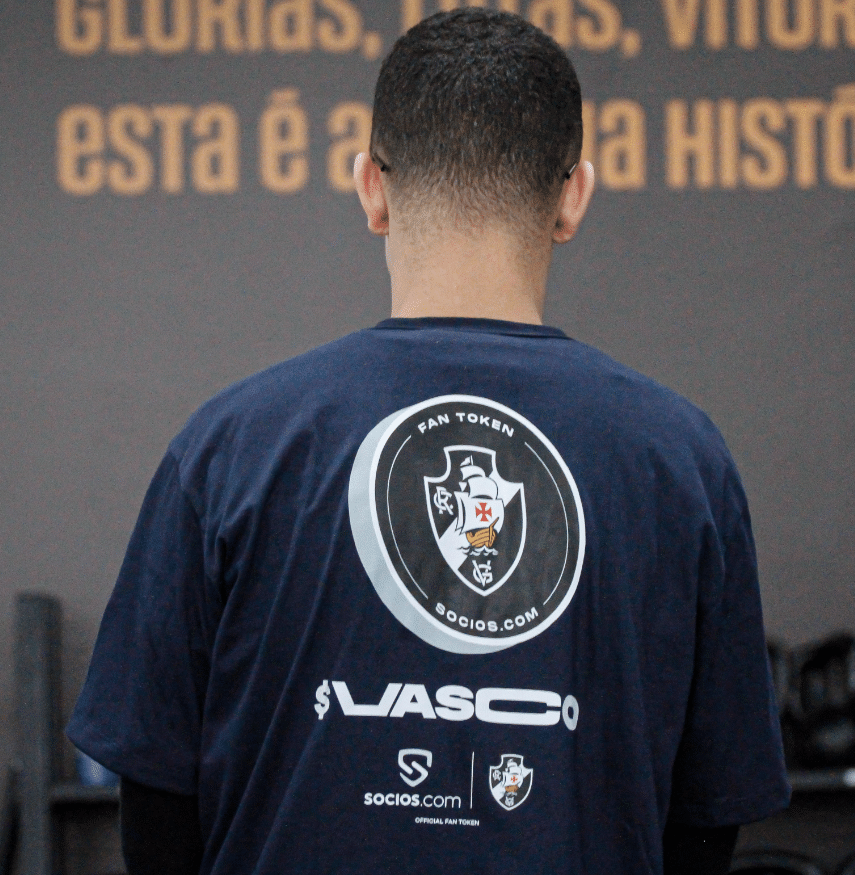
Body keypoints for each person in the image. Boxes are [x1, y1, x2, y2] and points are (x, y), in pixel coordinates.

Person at [67, 8, 791, 874]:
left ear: (370, 187)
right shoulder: (680, 462)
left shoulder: (230, 449)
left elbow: (155, 800)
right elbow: (705, 818)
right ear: (573, 198)